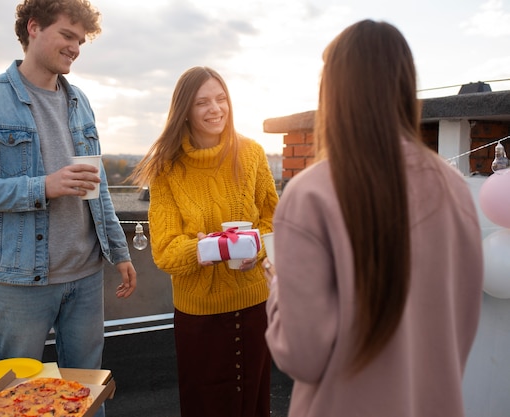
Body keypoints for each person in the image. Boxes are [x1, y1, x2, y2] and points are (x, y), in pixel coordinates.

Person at [263, 20, 484, 417]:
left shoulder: (311, 193)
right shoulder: (455, 188)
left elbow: (302, 356)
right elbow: (462, 327)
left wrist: (280, 290)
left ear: (332, 91)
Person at [0, 0, 136, 395]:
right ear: (33, 28)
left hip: (85, 274)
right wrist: (41, 186)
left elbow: (99, 187)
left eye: (80, 40)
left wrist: (120, 252)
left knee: (86, 392)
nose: (75, 47)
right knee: (18, 394)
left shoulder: (80, 100)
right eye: (67, 35)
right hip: (19, 281)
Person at [128, 66, 279, 417]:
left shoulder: (253, 154)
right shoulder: (166, 168)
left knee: (254, 405)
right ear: (185, 110)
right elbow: (164, 251)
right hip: (201, 316)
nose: (216, 109)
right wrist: (209, 248)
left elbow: (274, 218)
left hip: (255, 304)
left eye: (221, 98)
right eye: (202, 102)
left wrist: (253, 248)